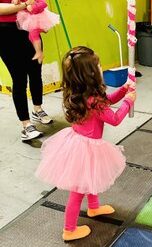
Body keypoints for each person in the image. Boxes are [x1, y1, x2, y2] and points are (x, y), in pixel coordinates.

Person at [35, 46, 136, 241]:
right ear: (89, 74)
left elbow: (105, 102)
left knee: (91, 178)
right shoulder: (93, 101)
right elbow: (113, 118)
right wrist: (128, 102)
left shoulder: (80, 94)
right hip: (86, 148)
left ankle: (94, 207)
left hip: (79, 144)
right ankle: (69, 229)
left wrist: (123, 91)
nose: (100, 67)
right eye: (97, 65)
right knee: (78, 190)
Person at [0, 0, 52, 141]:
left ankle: (38, 109)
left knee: (35, 73)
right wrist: (25, 5)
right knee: (19, 78)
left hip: (29, 28)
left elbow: (40, 2)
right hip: (5, 32)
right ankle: (26, 124)